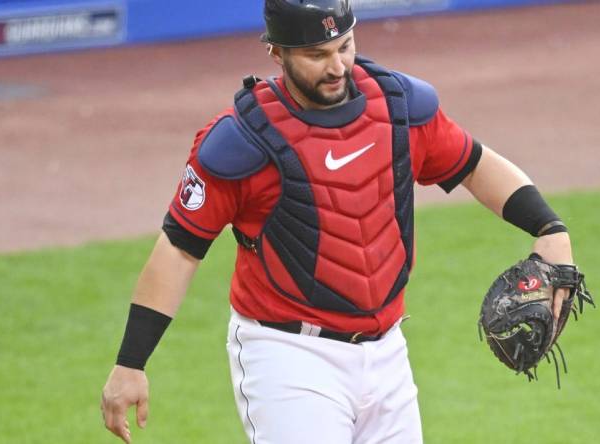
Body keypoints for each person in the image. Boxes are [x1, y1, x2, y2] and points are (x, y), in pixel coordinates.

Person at [101, 1, 575, 442]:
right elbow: (179, 250)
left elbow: (472, 163)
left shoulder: (398, 108)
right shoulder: (240, 143)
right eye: (316, 54)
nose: (337, 66)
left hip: (387, 352)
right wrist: (131, 363)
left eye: (344, 46)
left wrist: (550, 230)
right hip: (288, 358)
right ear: (276, 52)